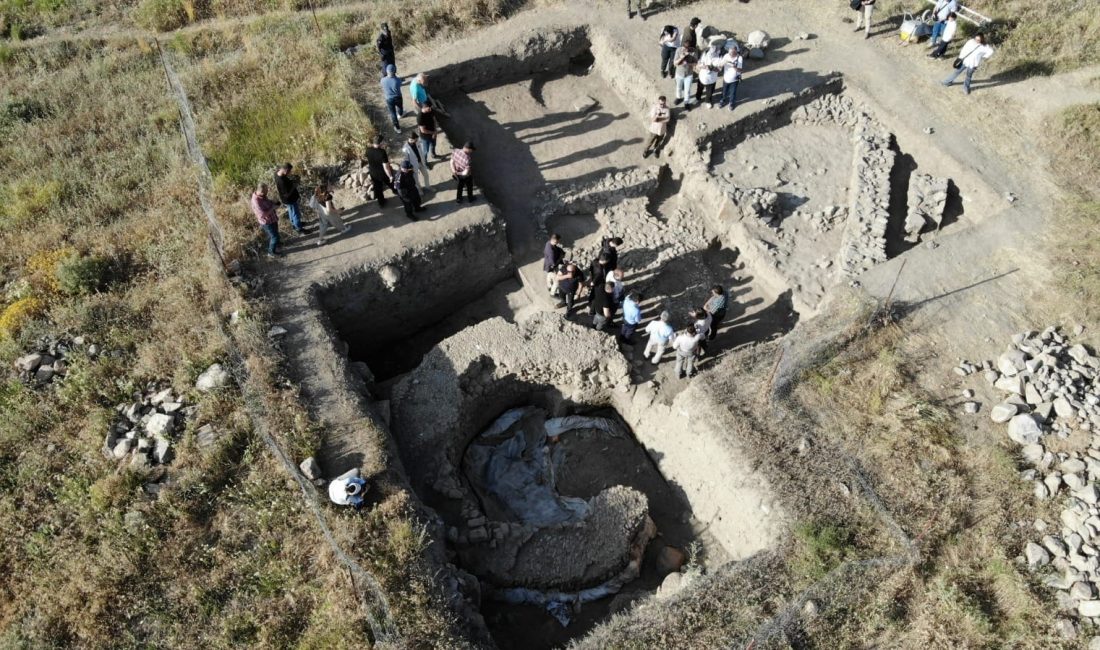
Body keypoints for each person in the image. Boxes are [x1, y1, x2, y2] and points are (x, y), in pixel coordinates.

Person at [251, 183, 280, 257]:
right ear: (261, 192)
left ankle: (275, 246)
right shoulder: (256, 201)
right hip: (267, 222)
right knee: (274, 237)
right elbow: (262, 215)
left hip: (272, 219)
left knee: (275, 235)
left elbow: (267, 202)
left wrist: (273, 202)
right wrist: (273, 208)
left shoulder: (262, 195)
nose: (267, 192)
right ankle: (270, 253)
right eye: (266, 191)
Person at [274, 163, 303, 234]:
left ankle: (294, 225)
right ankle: (299, 228)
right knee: (295, 213)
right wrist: (294, 186)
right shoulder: (281, 182)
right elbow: (287, 195)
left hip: (286, 200)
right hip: (290, 200)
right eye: (289, 171)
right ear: (285, 170)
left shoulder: (277, 173)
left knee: (291, 212)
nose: (290, 173)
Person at [364, 136, 392, 207]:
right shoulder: (382, 152)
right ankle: (399, 193)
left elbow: (367, 158)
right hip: (382, 173)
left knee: (378, 188)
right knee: (391, 183)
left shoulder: (368, 150)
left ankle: (381, 203)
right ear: (380, 143)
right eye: (383, 141)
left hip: (373, 173)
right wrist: (390, 176)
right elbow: (386, 167)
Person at [697, 37, 724, 108]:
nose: (714, 49)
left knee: (710, 91)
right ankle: (698, 97)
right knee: (700, 88)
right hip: (703, 76)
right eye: (712, 47)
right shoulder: (705, 53)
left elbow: (719, 69)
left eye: (716, 48)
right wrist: (704, 66)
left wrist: (711, 68)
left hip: (712, 78)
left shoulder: (720, 57)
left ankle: (708, 101)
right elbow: (699, 63)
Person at [718, 44, 743, 111]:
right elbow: (720, 66)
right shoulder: (726, 56)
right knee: (724, 91)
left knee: (733, 93)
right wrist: (721, 64)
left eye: (732, 53)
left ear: (736, 52)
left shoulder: (739, 58)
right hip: (726, 79)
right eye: (730, 53)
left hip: (734, 80)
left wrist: (734, 66)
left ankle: (731, 103)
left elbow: (740, 70)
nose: (730, 54)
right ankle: (722, 100)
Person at [673, 44, 699, 108]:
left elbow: (696, 63)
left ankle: (686, 102)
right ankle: (678, 98)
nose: (685, 51)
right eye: (684, 49)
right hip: (679, 73)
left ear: (689, 48)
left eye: (686, 49)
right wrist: (681, 57)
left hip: (688, 75)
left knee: (687, 90)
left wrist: (688, 64)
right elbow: (675, 63)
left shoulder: (694, 52)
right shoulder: (678, 50)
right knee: (678, 87)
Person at [381, 64, 403, 134]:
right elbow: (400, 83)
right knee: (400, 107)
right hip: (398, 97)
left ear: (387, 71)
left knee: (393, 113)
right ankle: (400, 114)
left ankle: (398, 128)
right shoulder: (397, 80)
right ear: (395, 71)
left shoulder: (382, 80)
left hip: (389, 99)